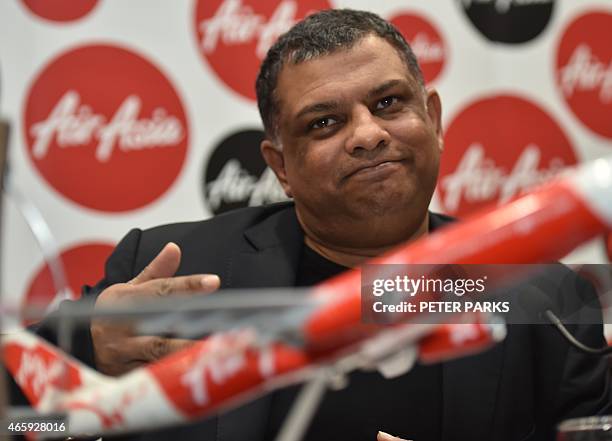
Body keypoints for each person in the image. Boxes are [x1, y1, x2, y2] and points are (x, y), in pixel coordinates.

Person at [21, 8, 611, 441]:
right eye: (324, 123)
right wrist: (86, 357)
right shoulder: (166, 275)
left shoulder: (542, 298)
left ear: (432, 119)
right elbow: (22, 421)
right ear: (280, 165)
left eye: (387, 104)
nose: (367, 134)